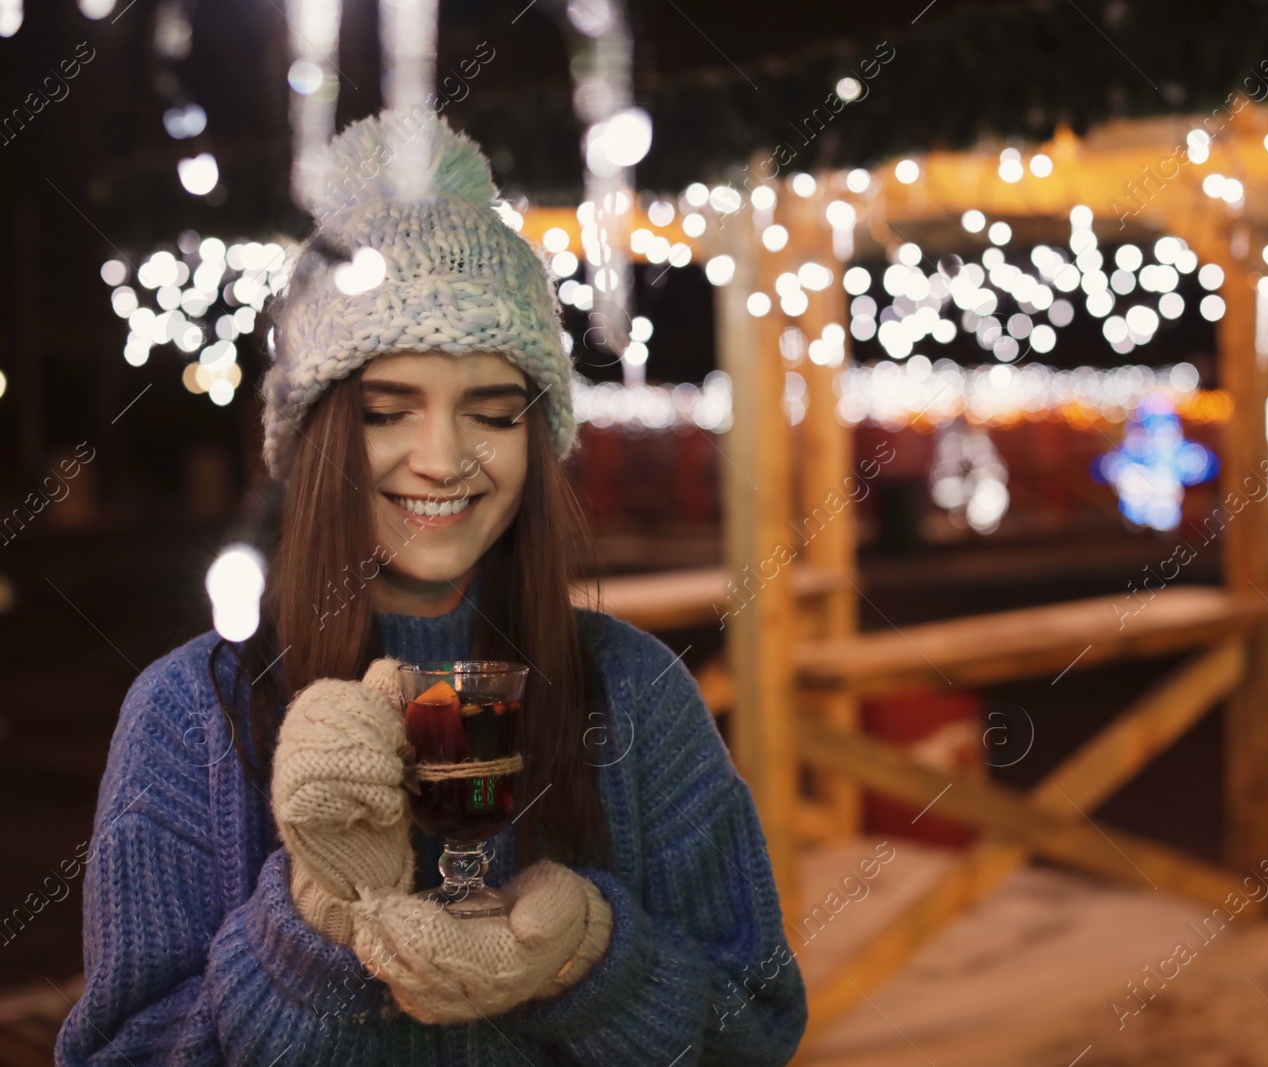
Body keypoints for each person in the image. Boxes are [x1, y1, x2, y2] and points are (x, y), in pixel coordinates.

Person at [58, 111, 806, 1066]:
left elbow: (757, 1030)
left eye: (491, 412)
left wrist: (592, 957)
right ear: (316, 438)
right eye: (385, 412)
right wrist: (311, 929)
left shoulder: (635, 693)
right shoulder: (187, 716)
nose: (443, 459)